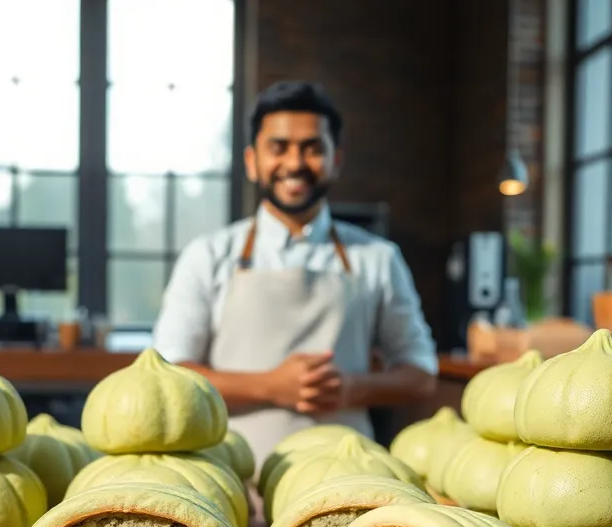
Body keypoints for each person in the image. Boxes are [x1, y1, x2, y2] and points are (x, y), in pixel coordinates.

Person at [150, 80, 439, 466]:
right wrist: (272, 387)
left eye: (313, 148)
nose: (295, 163)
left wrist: (352, 388)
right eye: (279, 147)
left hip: (347, 479)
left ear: (336, 160)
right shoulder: (207, 256)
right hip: (230, 475)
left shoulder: (378, 259)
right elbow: (170, 375)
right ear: (253, 161)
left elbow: (421, 375)